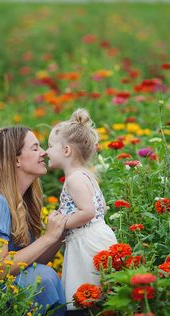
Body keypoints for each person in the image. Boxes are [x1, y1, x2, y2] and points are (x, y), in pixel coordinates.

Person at [0, 126, 67, 316]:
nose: (43, 152)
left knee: (42, 273)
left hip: (1, 288)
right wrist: (47, 238)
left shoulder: (22, 202)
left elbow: (31, 260)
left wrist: (60, 234)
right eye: (35, 148)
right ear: (15, 159)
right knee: (43, 278)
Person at [46, 109, 117, 311]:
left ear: (66, 151)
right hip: (95, 235)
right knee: (99, 293)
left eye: (50, 146)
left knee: (85, 295)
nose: (46, 151)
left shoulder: (75, 179)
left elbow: (88, 212)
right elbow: (99, 207)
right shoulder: (85, 175)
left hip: (86, 243)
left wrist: (60, 224)